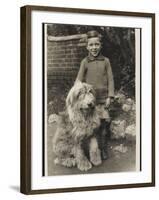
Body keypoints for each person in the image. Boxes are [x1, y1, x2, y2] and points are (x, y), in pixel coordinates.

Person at [75, 30, 114, 160]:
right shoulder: (85, 62)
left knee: (103, 125)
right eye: (91, 45)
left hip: (103, 100)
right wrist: (76, 95)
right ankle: (93, 149)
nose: (94, 47)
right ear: (87, 47)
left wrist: (110, 96)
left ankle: (103, 149)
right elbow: (79, 81)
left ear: (100, 45)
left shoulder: (106, 61)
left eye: (96, 44)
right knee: (93, 126)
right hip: (91, 102)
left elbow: (110, 79)